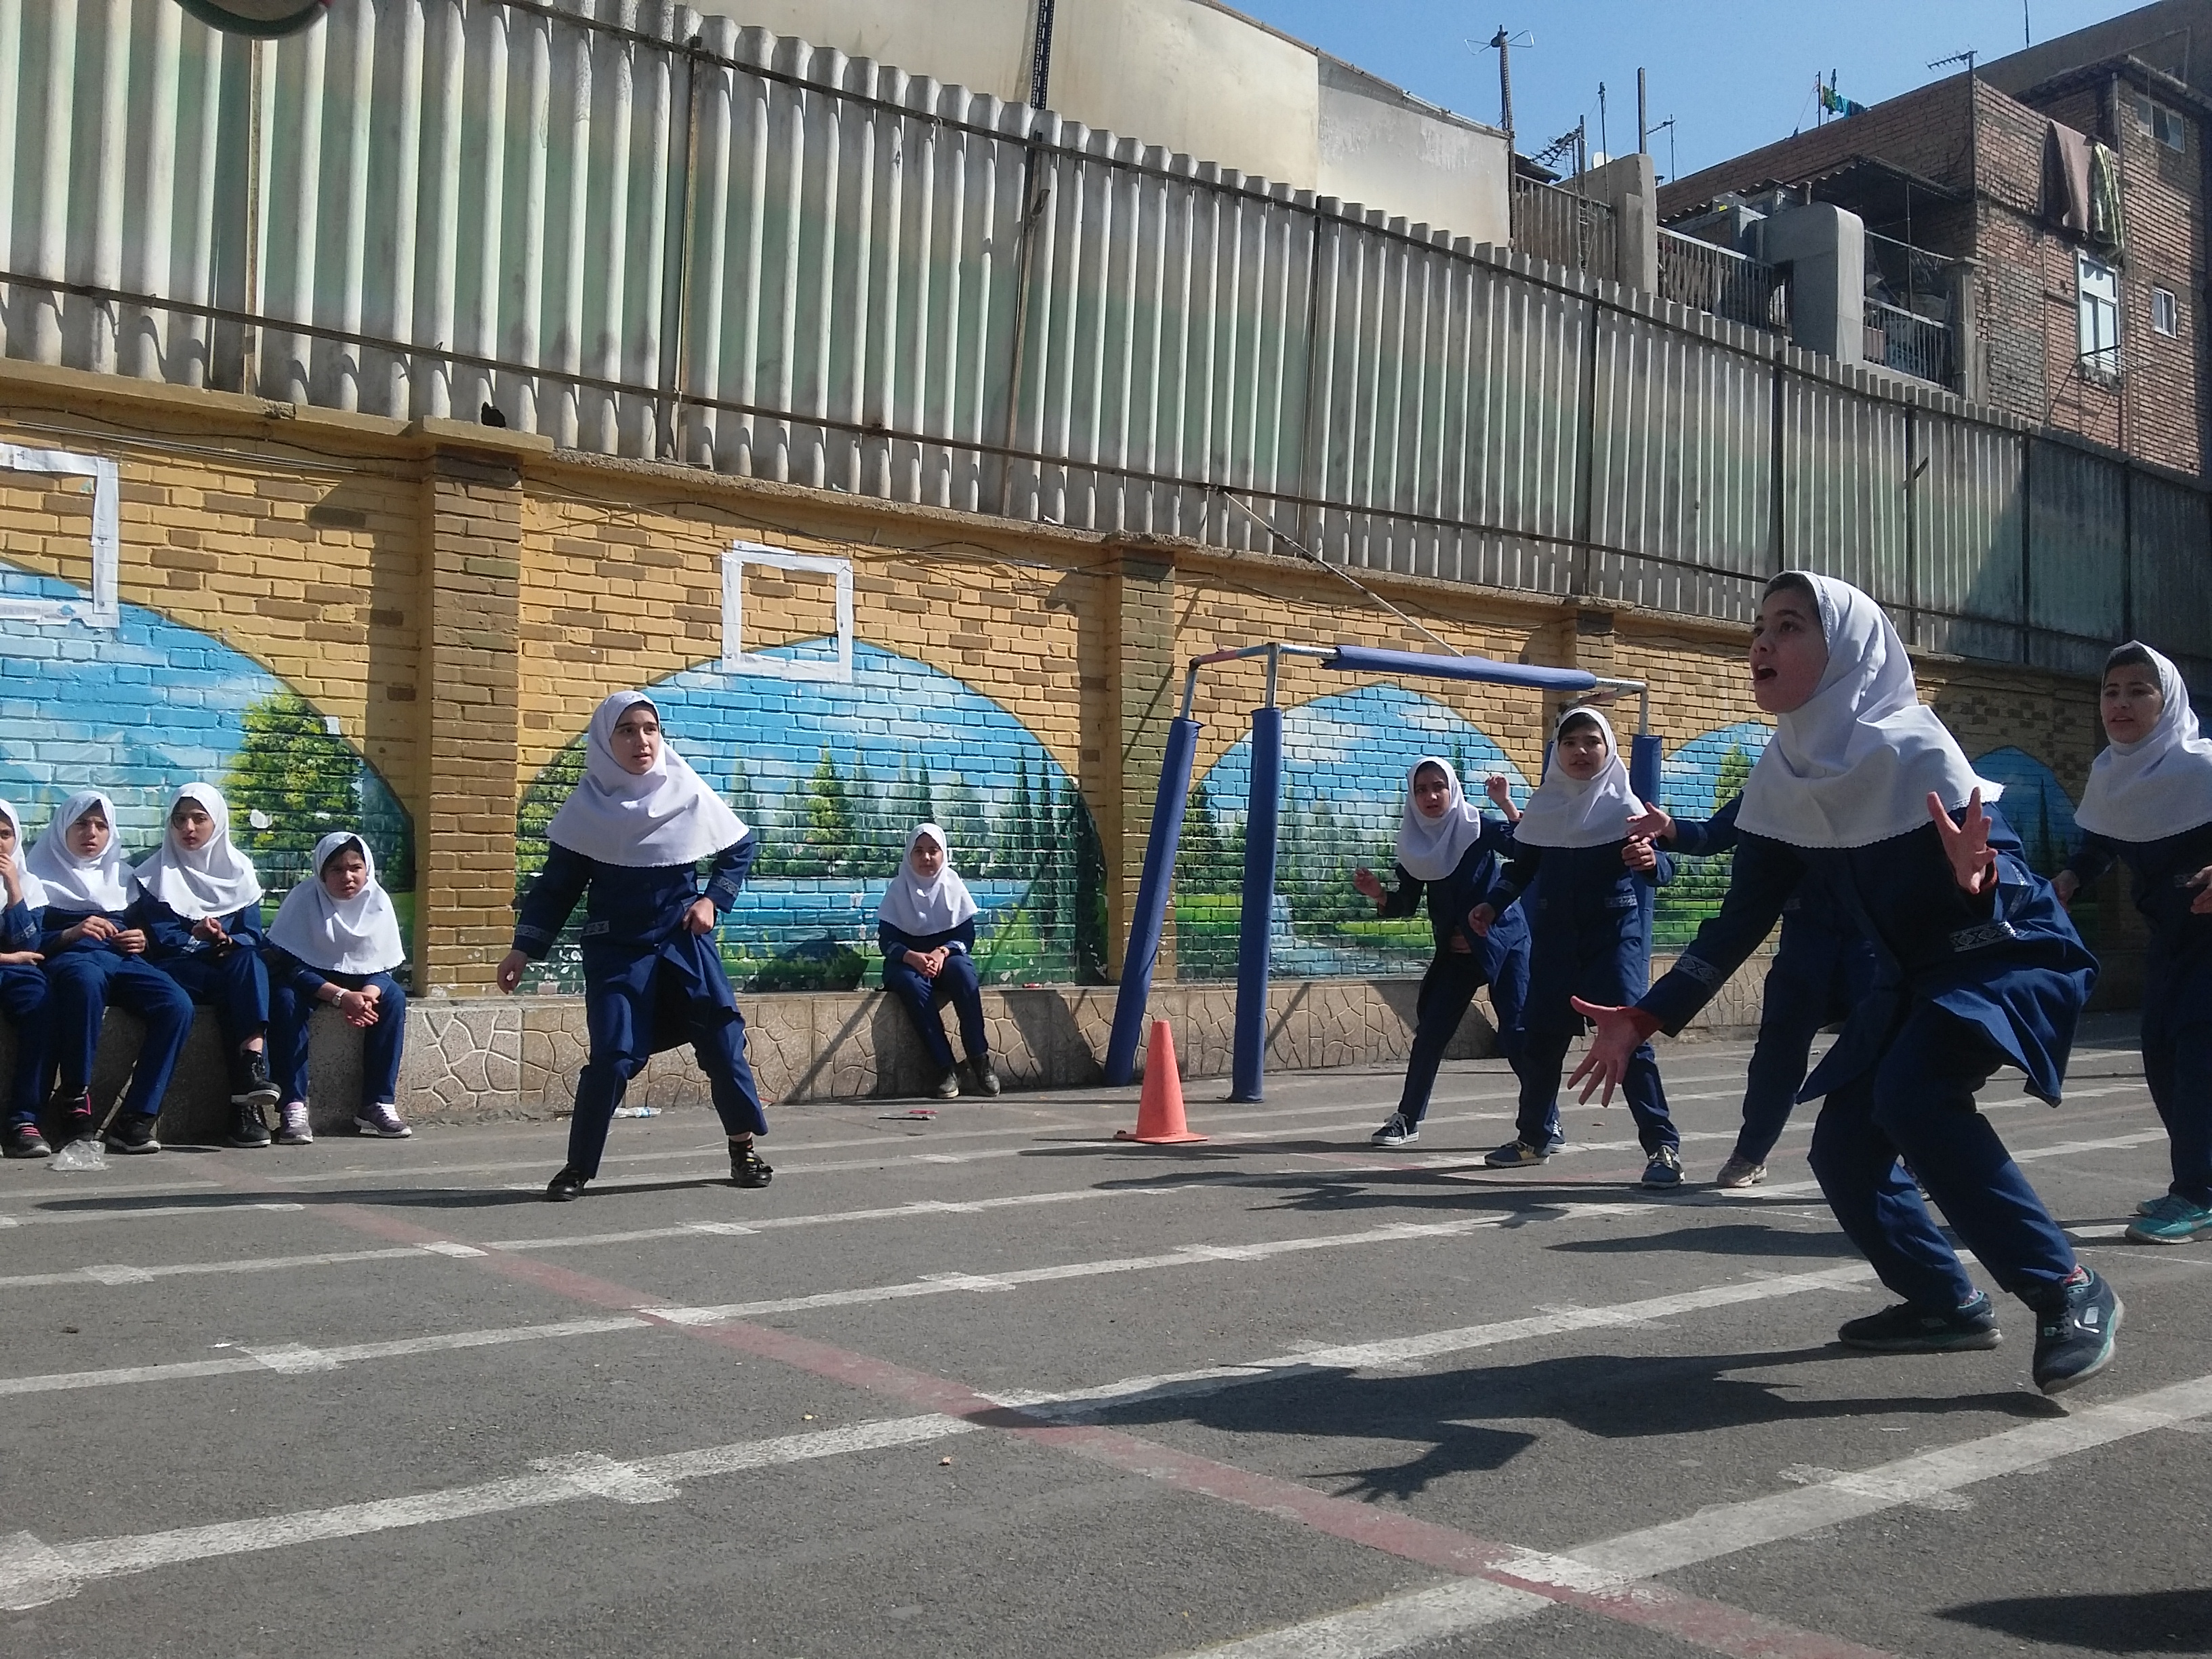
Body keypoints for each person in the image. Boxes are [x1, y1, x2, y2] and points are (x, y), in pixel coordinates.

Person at [1572, 571, 2119, 1395]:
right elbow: (1738, 921)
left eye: (1791, 626)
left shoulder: (1914, 745)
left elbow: (1988, 855)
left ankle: (2069, 1289)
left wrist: (1983, 875)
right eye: (1761, 625)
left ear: (1849, 651)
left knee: (1914, 1096)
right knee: (1844, 1148)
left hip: (1999, 951)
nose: (1763, 641)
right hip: (1909, 980)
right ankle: (1944, 1301)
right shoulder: (1784, 775)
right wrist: (1644, 1017)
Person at [497, 691, 772, 1201]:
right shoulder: (586, 810)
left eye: (649, 728)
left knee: (721, 1042)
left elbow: (738, 848)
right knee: (614, 1056)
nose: (640, 741)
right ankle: (578, 1167)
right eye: (626, 730)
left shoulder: (686, 790)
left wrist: (713, 900)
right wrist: (523, 949)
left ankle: (743, 1149)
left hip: (683, 944)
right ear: (606, 740)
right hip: (618, 949)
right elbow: (556, 887)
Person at [1471, 708, 1683, 1187]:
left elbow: (1665, 869)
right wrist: (1492, 905)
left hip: (1613, 944)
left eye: (1592, 742)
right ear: (1557, 754)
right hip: (1556, 946)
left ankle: (1663, 1148)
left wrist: (1649, 861)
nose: (1581, 751)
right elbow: (1519, 869)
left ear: (1608, 750)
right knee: (1541, 1041)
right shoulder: (1544, 809)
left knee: (1629, 1042)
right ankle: (1533, 1138)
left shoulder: (1627, 810)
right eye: (1570, 743)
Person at [2053, 642, 2212, 1246]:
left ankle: (2197, 1193)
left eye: (2138, 690)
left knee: (2201, 1064)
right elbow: (2100, 843)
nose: (2120, 703)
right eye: (2110, 691)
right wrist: (2070, 878)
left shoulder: (2203, 768)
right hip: (2170, 942)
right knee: (2163, 1061)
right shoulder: (2111, 772)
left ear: (2167, 700)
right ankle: (2199, 1181)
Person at [1639, 793, 1877, 1187]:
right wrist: (1672, 831)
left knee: (1885, 1050)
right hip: (1807, 940)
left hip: (1874, 941)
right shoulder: (1779, 779)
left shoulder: (1887, 769)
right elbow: (1720, 831)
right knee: (1777, 1049)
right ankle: (1752, 1151)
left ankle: (1914, 1155)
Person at [1355, 761, 1528, 1148]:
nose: (1431, 797)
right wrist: (1379, 895)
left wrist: (1506, 805)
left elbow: (1526, 852)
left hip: (1505, 941)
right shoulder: (1416, 844)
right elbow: (1405, 902)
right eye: (1421, 790)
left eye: (1438, 787)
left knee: (1517, 1033)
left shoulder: (1477, 826)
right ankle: (1407, 1119)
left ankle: (1543, 1121)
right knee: (1431, 1033)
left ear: (1452, 789)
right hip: (1457, 949)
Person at [29, 792, 194, 1153]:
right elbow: (24, 938)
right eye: (82, 824)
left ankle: (136, 1117)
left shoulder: (124, 877)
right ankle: (75, 1097)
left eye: (101, 826)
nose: (92, 833)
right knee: (84, 983)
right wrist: (69, 934)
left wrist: (141, 939)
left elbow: (146, 931)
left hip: (120, 959)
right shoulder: (37, 874)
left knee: (176, 1004)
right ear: (62, 829)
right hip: (73, 958)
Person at [131, 783, 280, 1148]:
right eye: (180, 820)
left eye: (200, 819)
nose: (189, 829)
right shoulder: (154, 874)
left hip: (224, 965)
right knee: (240, 996)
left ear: (218, 824)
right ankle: (246, 1107)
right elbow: (160, 940)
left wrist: (225, 940)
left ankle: (251, 1071)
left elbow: (250, 935)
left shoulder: (239, 871)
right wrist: (195, 936)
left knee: (248, 962)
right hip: (177, 969)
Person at [264, 832, 413, 1144]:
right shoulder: (304, 899)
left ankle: (378, 1102)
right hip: (311, 980)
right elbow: (290, 966)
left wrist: (368, 997)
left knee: (395, 999)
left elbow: (385, 965)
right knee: (285, 1000)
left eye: (355, 868)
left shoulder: (378, 901)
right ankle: (293, 1105)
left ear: (367, 869)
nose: (348, 877)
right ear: (321, 872)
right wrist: (341, 996)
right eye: (336, 870)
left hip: (362, 983)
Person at [878, 823, 1000, 1100]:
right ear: (909, 856)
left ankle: (979, 1059)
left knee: (964, 973)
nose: (926, 858)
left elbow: (965, 938)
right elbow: (887, 942)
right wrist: (913, 957)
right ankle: (945, 1067)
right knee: (911, 984)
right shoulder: (898, 890)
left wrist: (941, 953)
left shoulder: (953, 886)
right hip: (907, 963)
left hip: (945, 958)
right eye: (919, 851)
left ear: (944, 854)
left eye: (933, 851)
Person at [0, 802, 54, 1158]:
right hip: (9, 963)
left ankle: (24, 1120)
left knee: (42, 1007)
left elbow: (28, 944)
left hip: (16, 972)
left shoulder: (29, 884)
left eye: (5, 835)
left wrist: (12, 885)